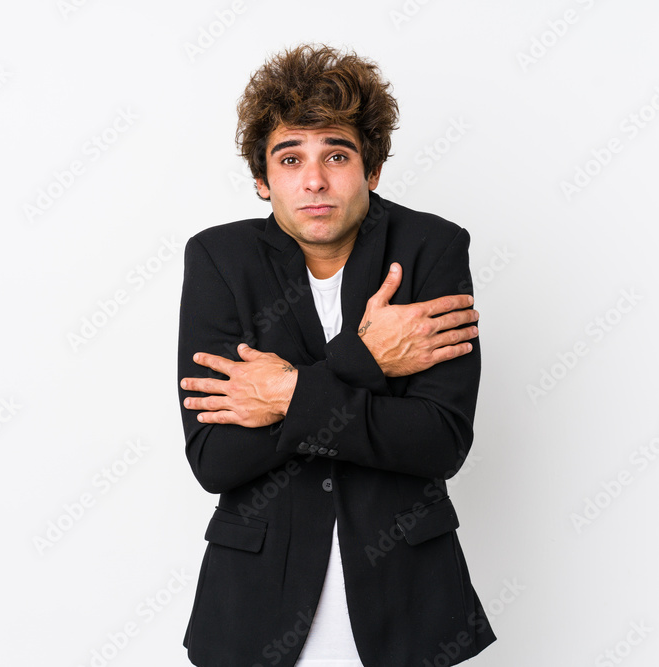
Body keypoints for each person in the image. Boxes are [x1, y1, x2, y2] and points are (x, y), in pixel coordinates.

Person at [178, 43, 496, 667]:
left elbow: (439, 441)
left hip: (407, 606)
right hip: (252, 607)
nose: (315, 179)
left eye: (337, 155)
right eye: (290, 158)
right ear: (263, 181)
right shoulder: (219, 259)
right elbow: (216, 457)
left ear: (371, 171)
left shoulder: (431, 246)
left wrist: (284, 396)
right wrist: (364, 362)